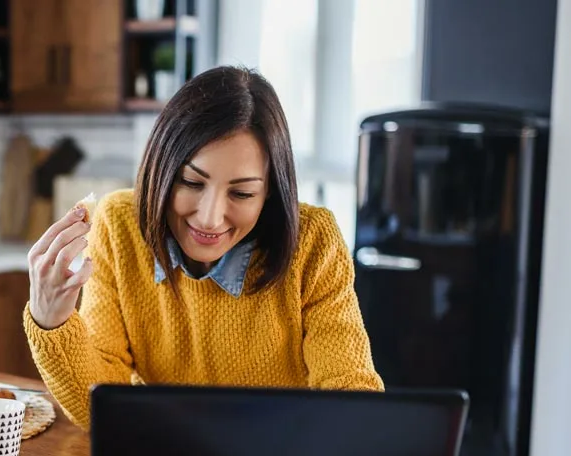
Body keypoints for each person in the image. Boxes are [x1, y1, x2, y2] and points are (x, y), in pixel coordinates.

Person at [23, 66, 383, 429]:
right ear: (162, 169)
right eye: (192, 182)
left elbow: (350, 389)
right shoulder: (119, 225)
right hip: (165, 455)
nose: (210, 219)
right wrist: (51, 322)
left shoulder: (313, 241)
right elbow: (100, 404)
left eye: (241, 193)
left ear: (270, 190)